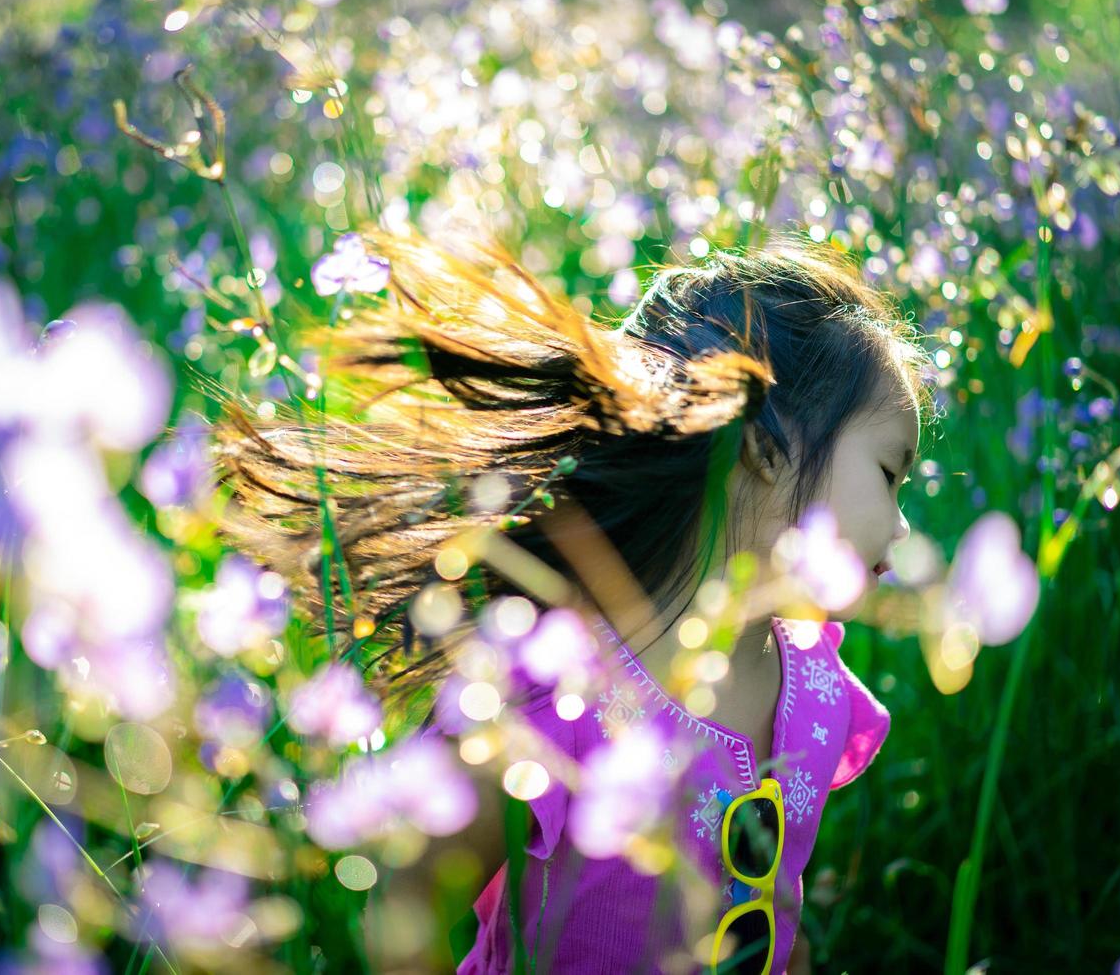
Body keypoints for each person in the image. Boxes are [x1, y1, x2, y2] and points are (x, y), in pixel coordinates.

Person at [211, 219, 935, 973]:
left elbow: (773, 906)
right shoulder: (553, 694)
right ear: (761, 440)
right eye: (890, 473)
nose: (903, 520)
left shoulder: (816, 690)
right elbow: (408, 900)